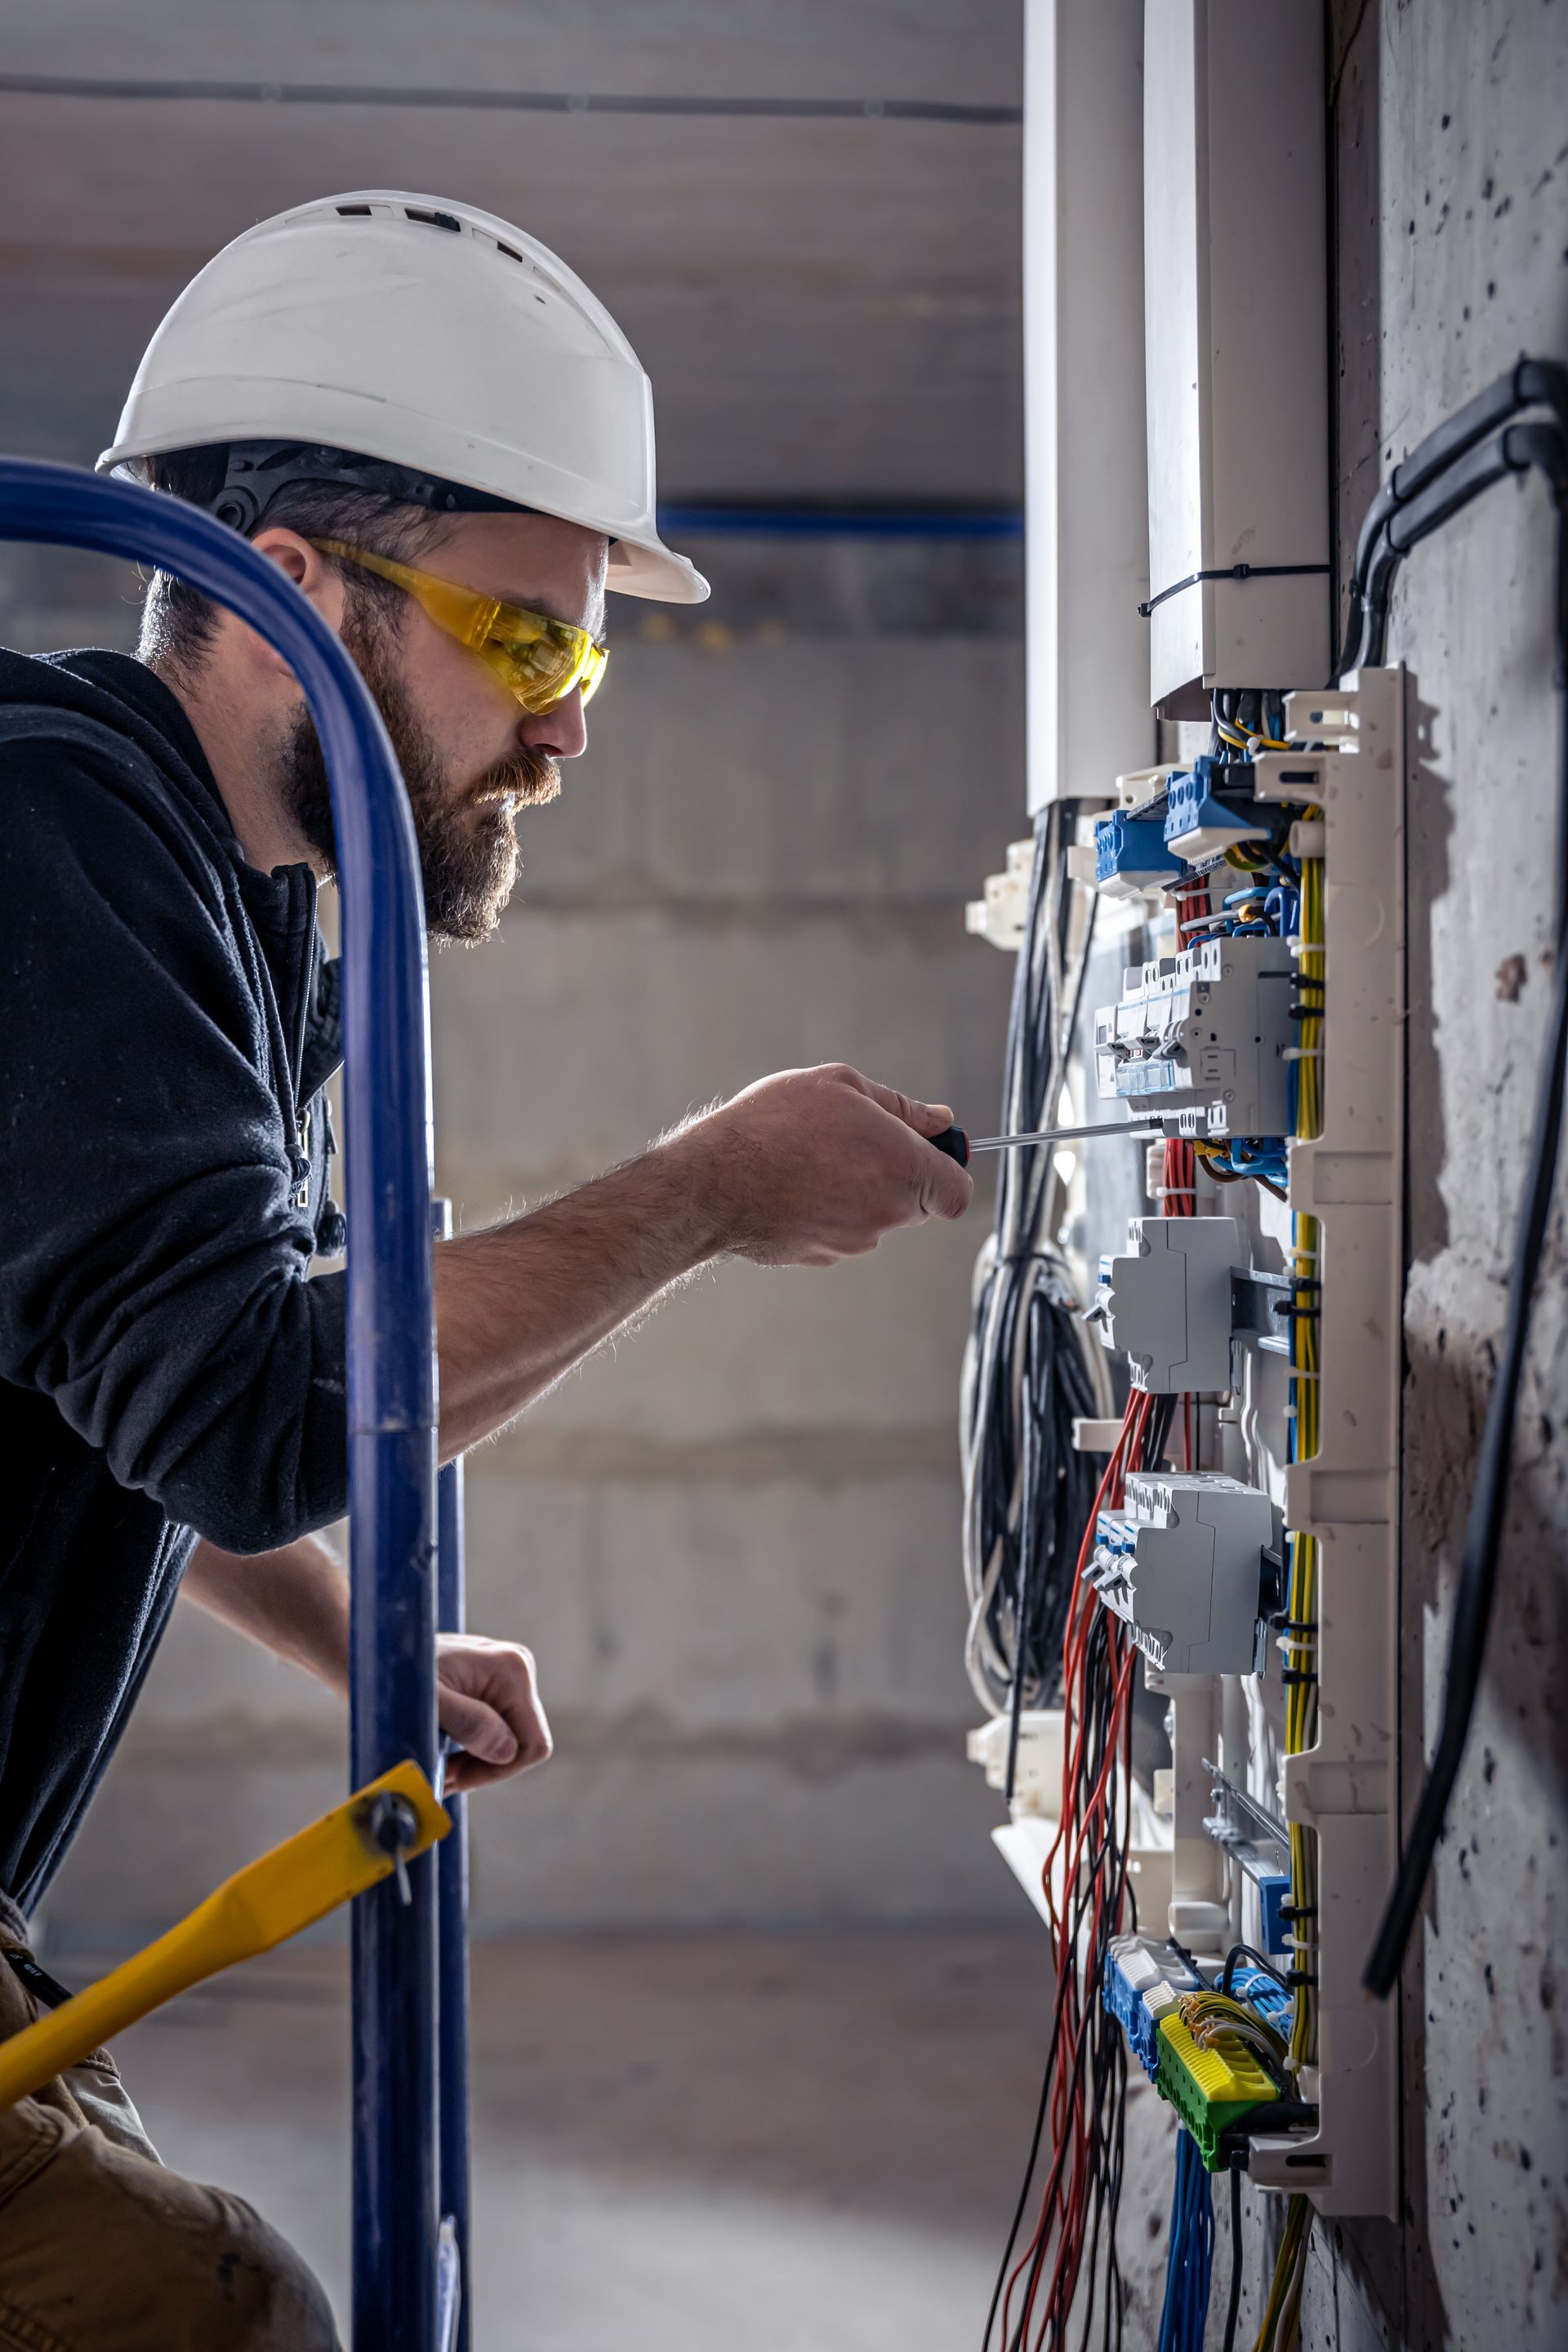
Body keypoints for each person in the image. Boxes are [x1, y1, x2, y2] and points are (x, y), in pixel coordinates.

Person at [0, 191, 971, 2345]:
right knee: (211, 2307)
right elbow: (257, 1412)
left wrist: (359, 1644)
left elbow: (149, 1385)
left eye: (586, 651)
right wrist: (704, 1190)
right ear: (290, 598)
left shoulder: (221, 899)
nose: (571, 727)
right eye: (527, 639)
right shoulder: (44, 838)